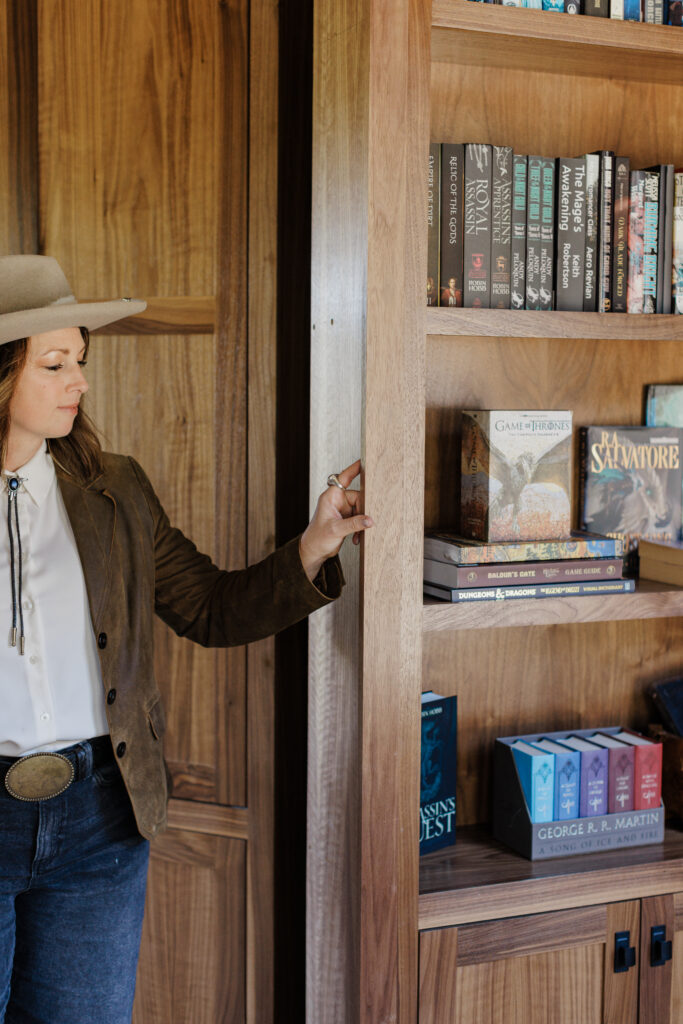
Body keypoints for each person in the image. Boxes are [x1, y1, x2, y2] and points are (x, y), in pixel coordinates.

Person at [0, 254, 373, 1024]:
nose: (80, 381)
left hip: (99, 819)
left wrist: (313, 546)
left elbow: (208, 606)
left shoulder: (117, 489)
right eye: (55, 363)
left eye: (81, 360)